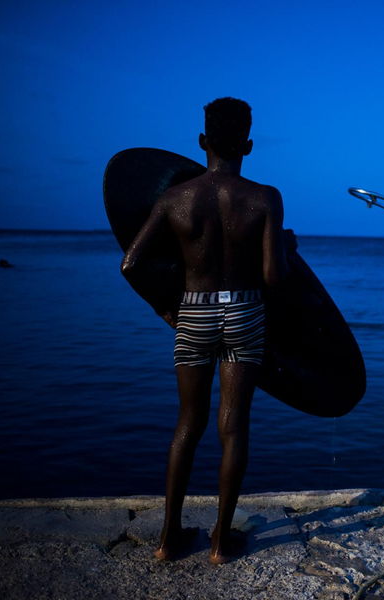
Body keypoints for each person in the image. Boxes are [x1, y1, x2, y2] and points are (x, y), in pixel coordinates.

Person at [121, 97, 288, 564]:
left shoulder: (174, 198)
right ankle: (218, 543)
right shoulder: (265, 198)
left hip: (192, 312)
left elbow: (130, 263)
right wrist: (285, 247)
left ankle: (168, 539)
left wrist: (165, 310)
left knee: (187, 423)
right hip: (244, 312)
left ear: (201, 141)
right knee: (233, 426)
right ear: (249, 146)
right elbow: (275, 278)